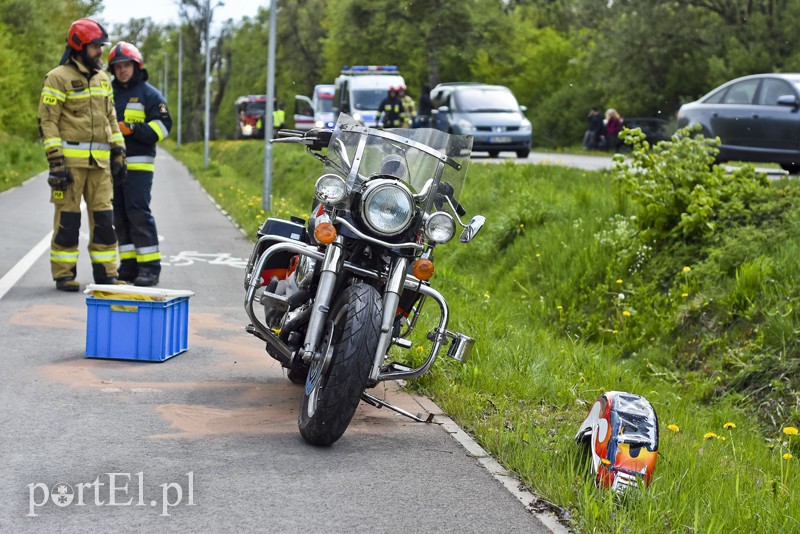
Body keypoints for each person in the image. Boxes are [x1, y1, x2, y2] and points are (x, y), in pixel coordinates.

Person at [38, 18, 126, 292]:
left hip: (100, 166)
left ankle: (106, 274)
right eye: (95, 46)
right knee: (68, 221)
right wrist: (55, 160)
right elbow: (48, 121)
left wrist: (119, 150)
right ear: (79, 46)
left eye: (101, 46)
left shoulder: (102, 79)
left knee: (104, 222)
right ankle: (64, 274)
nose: (100, 52)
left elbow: (111, 117)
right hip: (70, 166)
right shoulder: (57, 77)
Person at [108, 41, 172, 287]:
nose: (122, 70)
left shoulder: (150, 95)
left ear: (136, 66)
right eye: (118, 66)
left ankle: (150, 268)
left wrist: (134, 129)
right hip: (113, 165)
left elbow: (163, 127)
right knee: (120, 215)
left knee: (138, 212)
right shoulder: (108, 93)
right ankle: (129, 266)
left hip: (139, 165)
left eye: (126, 65)